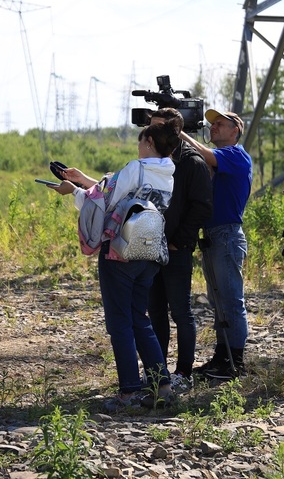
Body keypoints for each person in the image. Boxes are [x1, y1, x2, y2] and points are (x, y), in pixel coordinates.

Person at [52, 121, 181, 411]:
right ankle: (162, 385)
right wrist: (84, 181)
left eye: (141, 140)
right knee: (139, 317)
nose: (139, 146)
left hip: (120, 251)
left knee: (119, 322)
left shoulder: (136, 167)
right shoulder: (168, 174)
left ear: (149, 142)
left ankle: (129, 391)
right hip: (149, 252)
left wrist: (73, 192)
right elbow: (117, 193)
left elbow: (105, 203)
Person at [179, 109, 253, 380]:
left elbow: (205, 154)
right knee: (218, 301)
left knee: (231, 301)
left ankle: (236, 361)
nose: (213, 127)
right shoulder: (221, 160)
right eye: (212, 124)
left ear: (235, 130)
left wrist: (179, 132)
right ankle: (223, 357)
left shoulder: (236, 155)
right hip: (213, 236)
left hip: (226, 235)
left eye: (220, 124)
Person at [146, 108, 213, 394]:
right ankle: (157, 374)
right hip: (150, 248)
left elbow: (202, 207)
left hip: (176, 249)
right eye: (149, 129)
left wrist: (179, 241)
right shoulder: (150, 161)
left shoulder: (192, 162)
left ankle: (184, 372)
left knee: (181, 312)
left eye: (157, 128)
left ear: (174, 132)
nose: (150, 135)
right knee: (155, 312)